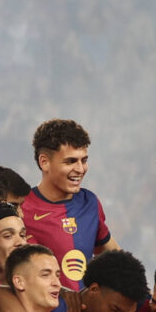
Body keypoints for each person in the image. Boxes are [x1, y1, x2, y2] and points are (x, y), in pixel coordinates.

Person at [21, 118, 113, 287]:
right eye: (70, 161)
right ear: (44, 162)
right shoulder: (22, 209)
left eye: (83, 160)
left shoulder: (90, 202)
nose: (80, 169)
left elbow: (114, 259)